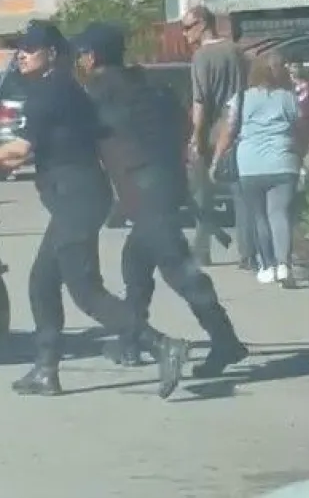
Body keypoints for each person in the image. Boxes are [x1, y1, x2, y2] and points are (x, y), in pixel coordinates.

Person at [0, 20, 189, 399]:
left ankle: (161, 345)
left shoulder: (50, 91)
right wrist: (2, 162)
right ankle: (46, 370)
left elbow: (22, 148)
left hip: (76, 199)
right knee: (42, 282)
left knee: (86, 290)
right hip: (78, 195)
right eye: (20, 48)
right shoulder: (65, 88)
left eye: (30, 48)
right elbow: (54, 145)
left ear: (51, 54)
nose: (21, 55)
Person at [71, 22, 248, 376]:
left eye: (82, 54)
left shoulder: (98, 92)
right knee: (135, 262)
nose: (80, 61)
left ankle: (225, 339)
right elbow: (182, 126)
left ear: (92, 57)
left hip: (145, 191)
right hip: (164, 184)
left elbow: (81, 138)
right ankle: (131, 341)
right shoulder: (147, 84)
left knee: (179, 270)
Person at [211, 52, 309, 284]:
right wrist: (299, 153)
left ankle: (268, 265)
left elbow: (228, 132)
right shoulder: (289, 98)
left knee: (259, 216)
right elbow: (302, 128)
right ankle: (284, 265)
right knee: (279, 214)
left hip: (250, 164)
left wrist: (216, 160)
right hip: (283, 161)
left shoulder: (241, 98)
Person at [183, 5, 255, 269]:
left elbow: (200, 103)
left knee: (203, 195)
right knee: (241, 196)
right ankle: (248, 253)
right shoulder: (238, 52)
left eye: (187, 27)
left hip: (212, 133)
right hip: (240, 130)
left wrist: (196, 138)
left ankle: (202, 250)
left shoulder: (201, 57)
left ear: (203, 24)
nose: (184, 34)